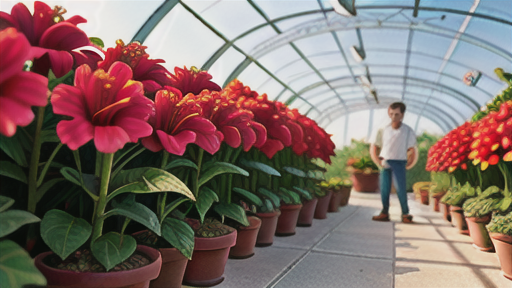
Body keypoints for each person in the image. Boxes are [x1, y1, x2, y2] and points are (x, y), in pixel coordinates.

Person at [369, 102, 418, 223]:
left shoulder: (407, 131)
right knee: (384, 188)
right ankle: (384, 212)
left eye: (397, 114)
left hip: (400, 163)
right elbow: (374, 146)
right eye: (391, 114)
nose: (393, 117)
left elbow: (412, 149)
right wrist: (377, 162)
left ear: (402, 115)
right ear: (388, 113)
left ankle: (405, 213)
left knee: (401, 189)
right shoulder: (383, 129)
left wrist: (410, 163)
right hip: (385, 162)